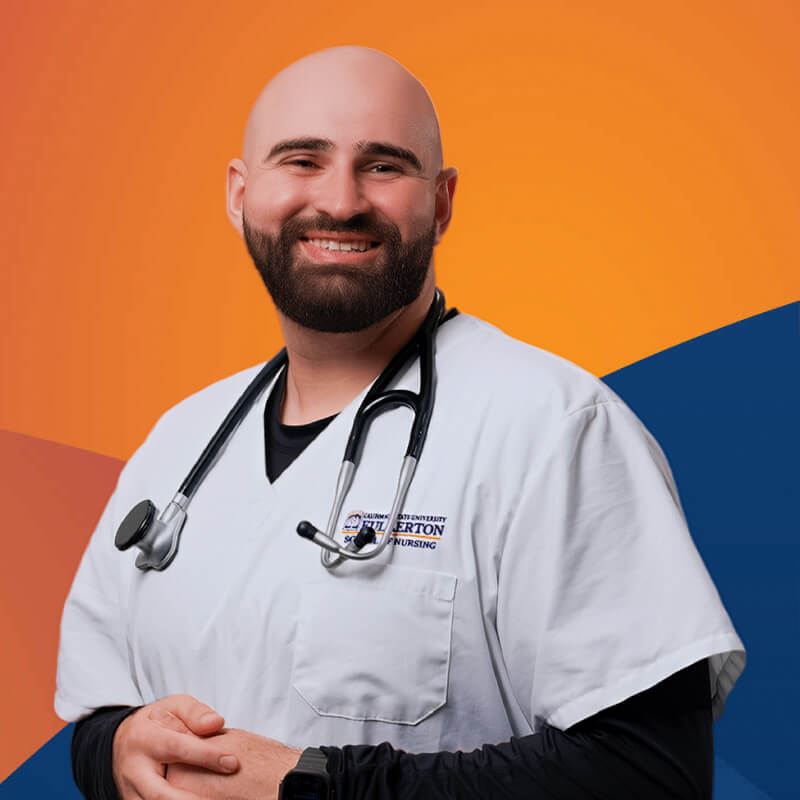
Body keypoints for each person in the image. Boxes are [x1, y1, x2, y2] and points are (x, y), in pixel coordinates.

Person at [56, 46, 745, 800]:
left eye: (383, 166)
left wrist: (311, 786)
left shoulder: (553, 429)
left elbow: (650, 775)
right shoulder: (179, 443)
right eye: (302, 160)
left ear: (442, 202)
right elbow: (97, 715)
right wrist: (117, 745)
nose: (341, 200)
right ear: (238, 193)